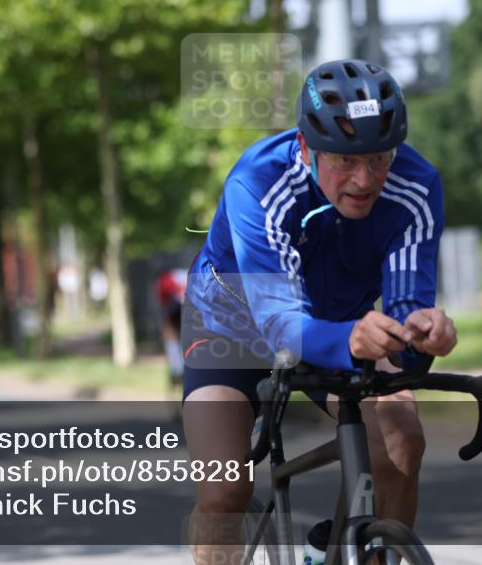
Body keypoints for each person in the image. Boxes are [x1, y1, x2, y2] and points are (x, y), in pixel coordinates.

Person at [181, 59, 458, 564]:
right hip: (233, 329)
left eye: (379, 158)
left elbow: (405, 306)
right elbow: (282, 324)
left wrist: (422, 334)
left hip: (339, 327)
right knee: (223, 493)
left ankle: (355, 552)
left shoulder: (416, 187)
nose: (364, 179)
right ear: (307, 148)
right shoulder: (258, 182)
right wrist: (352, 340)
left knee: (400, 439)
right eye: (344, 161)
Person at [156, 268, 187, 387]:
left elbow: (165, 306)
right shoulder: (186, 272)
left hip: (177, 302)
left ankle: (177, 368)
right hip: (193, 303)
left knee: (169, 329)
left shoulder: (164, 280)